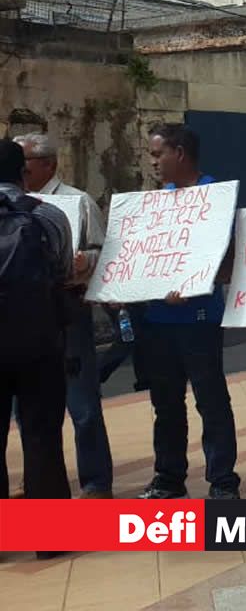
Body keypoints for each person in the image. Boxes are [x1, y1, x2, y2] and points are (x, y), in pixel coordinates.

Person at [137, 123, 241, 501]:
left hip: (199, 319)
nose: (153, 162)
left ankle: (223, 481)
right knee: (165, 403)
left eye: (156, 153)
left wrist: (198, 283)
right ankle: (168, 477)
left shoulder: (215, 198)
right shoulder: (155, 202)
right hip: (157, 320)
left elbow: (228, 257)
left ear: (179, 153)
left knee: (210, 400)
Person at [15, 133, 112, 499]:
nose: (21, 172)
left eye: (25, 164)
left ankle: (96, 482)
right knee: (29, 408)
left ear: (49, 164)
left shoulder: (78, 202)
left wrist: (86, 260)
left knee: (83, 403)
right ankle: (36, 479)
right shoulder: (14, 205)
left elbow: (106, 252)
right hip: (27, 316)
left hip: (69, 311)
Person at [0, 138, 74, 516]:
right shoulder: (49, 216)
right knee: (42, 434)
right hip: (38, 343)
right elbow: (62, 273)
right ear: (23, 171)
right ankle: (48, 534)